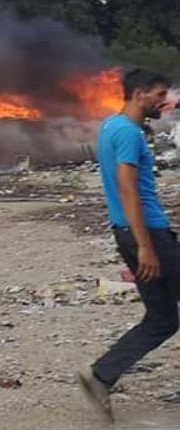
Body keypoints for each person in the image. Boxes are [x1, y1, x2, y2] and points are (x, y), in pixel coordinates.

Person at [78, 68, 173, 422]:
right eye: (159, 94)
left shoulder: (110, 126)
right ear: (138, 94)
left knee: (163, 318)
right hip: (148, 235)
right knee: (163, 316)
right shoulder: (129, 134)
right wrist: (146, 246)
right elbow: (127, 188)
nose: (165, 101)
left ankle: (101, 375)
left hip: (129, 232)